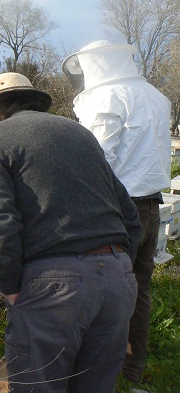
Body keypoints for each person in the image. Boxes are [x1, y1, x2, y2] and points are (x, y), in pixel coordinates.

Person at [0, 72, 140, 392]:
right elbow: (129, 215)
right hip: (117, 280)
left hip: (53, 287)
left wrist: (12, 289)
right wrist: (118, 269)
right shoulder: (81, 134)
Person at [62, 40, 171, 386]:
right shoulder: (156, 96)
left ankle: (97, 372)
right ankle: (132, 372)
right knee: (139, 287)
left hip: (115, 209)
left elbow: (94, 158)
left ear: (95, 65)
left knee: (101, 287)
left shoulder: (109, 98)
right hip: (152, 205)